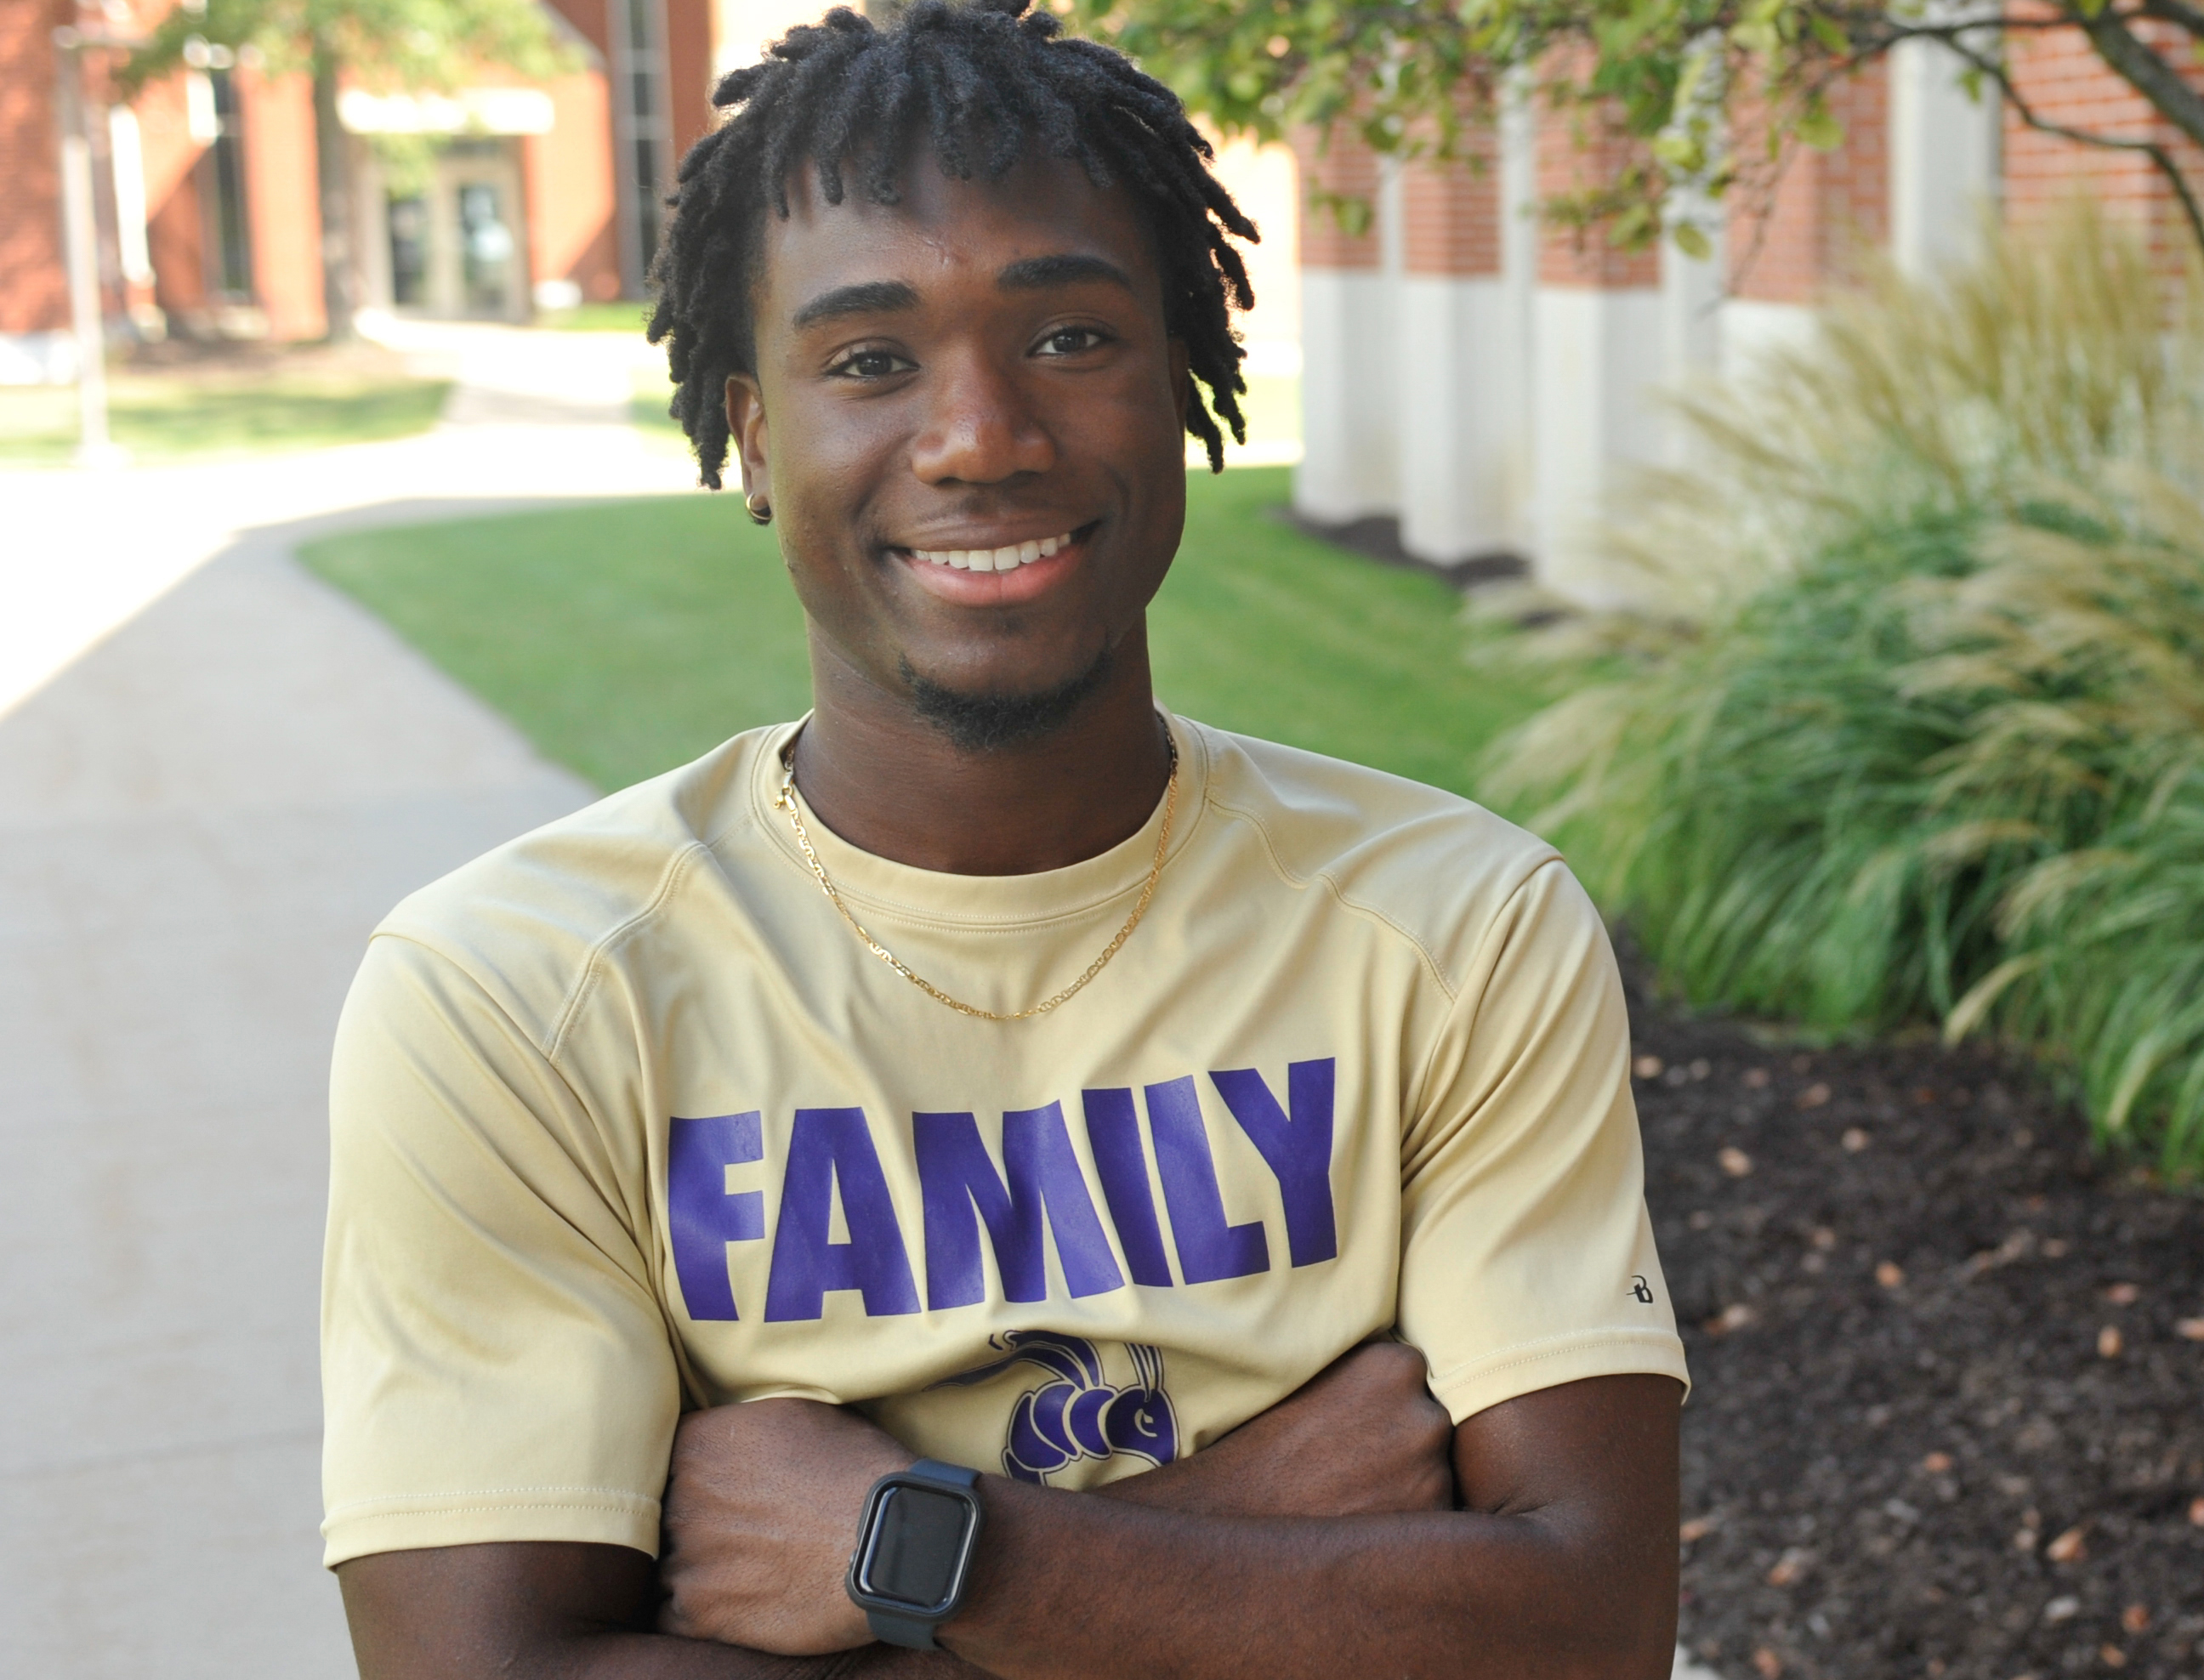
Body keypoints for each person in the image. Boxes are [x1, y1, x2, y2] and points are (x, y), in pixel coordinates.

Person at [318, 3, 1686, 1673]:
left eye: (1069, 339)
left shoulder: (1456, 924)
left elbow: (1590, 1625)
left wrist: (908, 1553)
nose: (979, 437)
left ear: (1185, 383)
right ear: (754, 436)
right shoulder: (518, 992)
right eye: (871, 360)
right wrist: (1249, 1525)